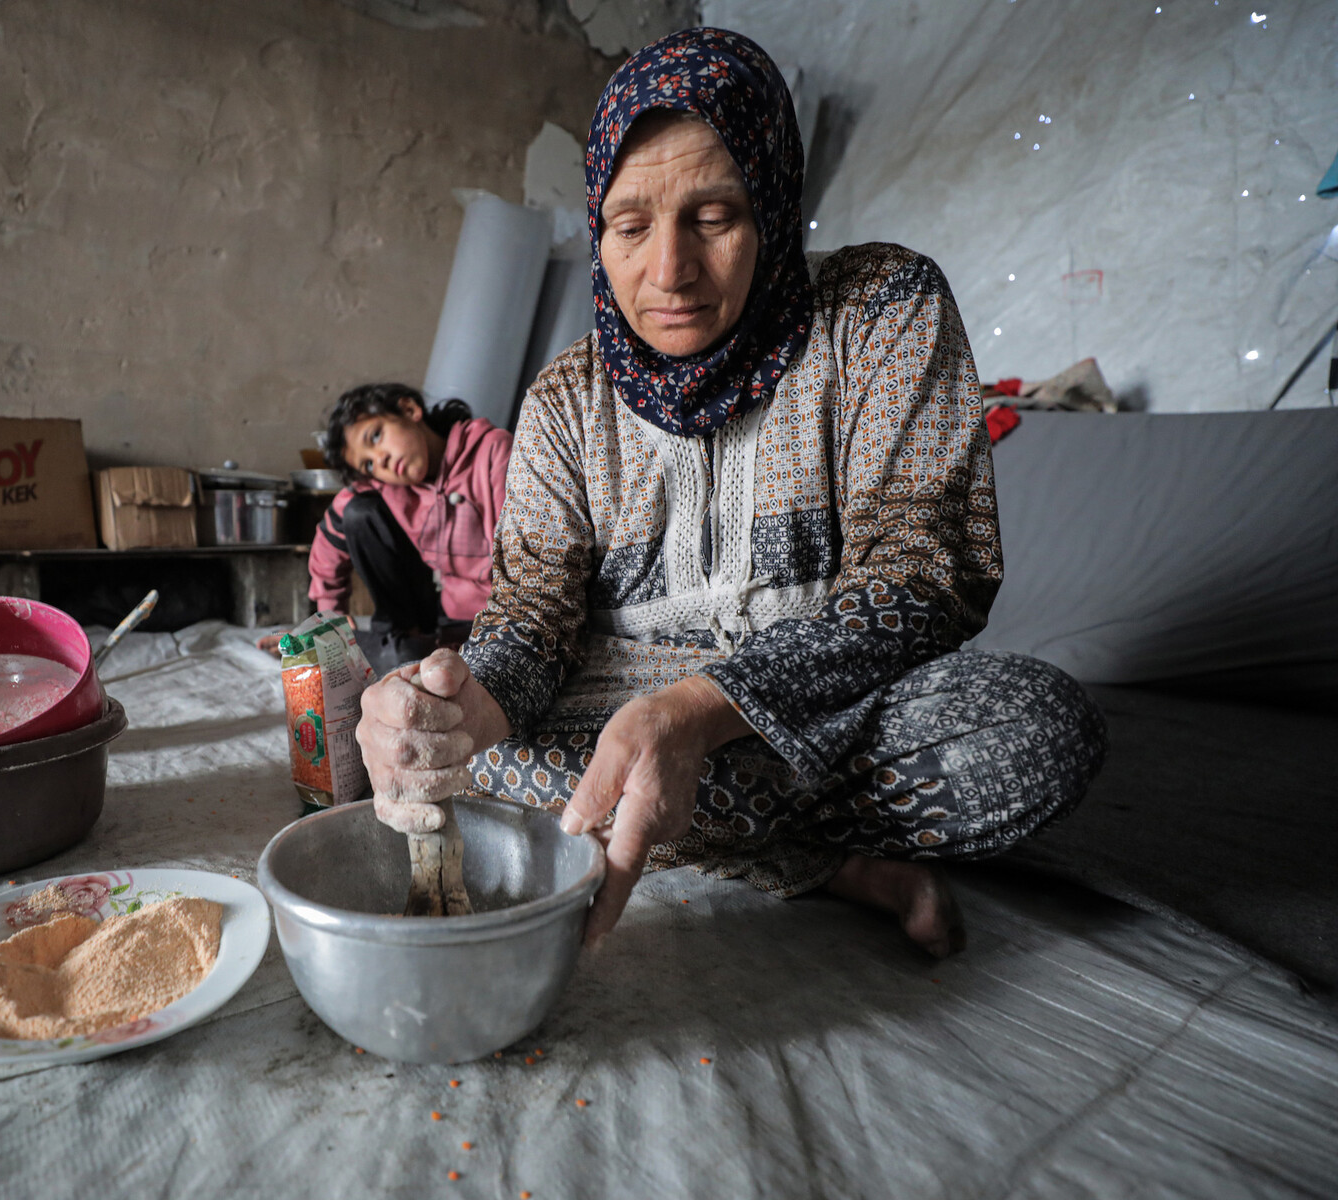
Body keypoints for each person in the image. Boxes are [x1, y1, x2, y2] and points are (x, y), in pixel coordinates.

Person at [355, 28, 1106, 958]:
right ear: (597, 231)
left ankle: (700, 817)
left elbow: (924, 571)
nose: (669, 271)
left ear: (775, 208)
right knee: (467, 758)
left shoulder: (880, 310)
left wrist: (704, 708)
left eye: (713, 217)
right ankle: (822, 862)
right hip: (618, 705)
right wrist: (472, 706)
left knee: (1035, 734)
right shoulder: (564, 398)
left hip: (827, 699)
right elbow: (533, 618)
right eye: (631, 227)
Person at [285, 383, 512, 673]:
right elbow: (331, 532)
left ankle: (397, 652)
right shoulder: (388, 482)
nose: (381, 460)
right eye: (368, 465)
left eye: (376, 436)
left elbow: (522, 560)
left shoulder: (493, 451)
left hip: (500, 619)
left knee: (406, 661)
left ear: (409, 409)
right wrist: (330, 612)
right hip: (443, 615)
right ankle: (391, 642)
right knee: (359, 511)